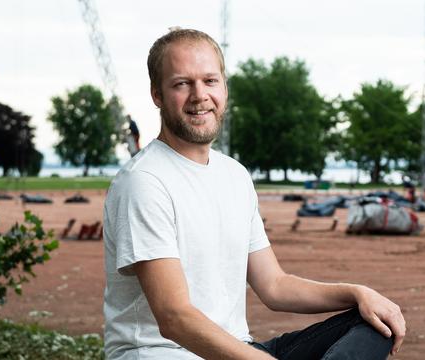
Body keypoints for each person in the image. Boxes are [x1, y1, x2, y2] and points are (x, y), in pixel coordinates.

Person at [103, 28, 406, 360]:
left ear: (224, 88)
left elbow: (274, 286)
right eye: (181, 83)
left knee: (375, 323)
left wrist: (358, 293)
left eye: (209, 81)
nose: (199, 95)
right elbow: (174, 318)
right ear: (157, 95)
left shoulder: (234, 175)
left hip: (238, 350)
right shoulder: (144, 181)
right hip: (162, 354)